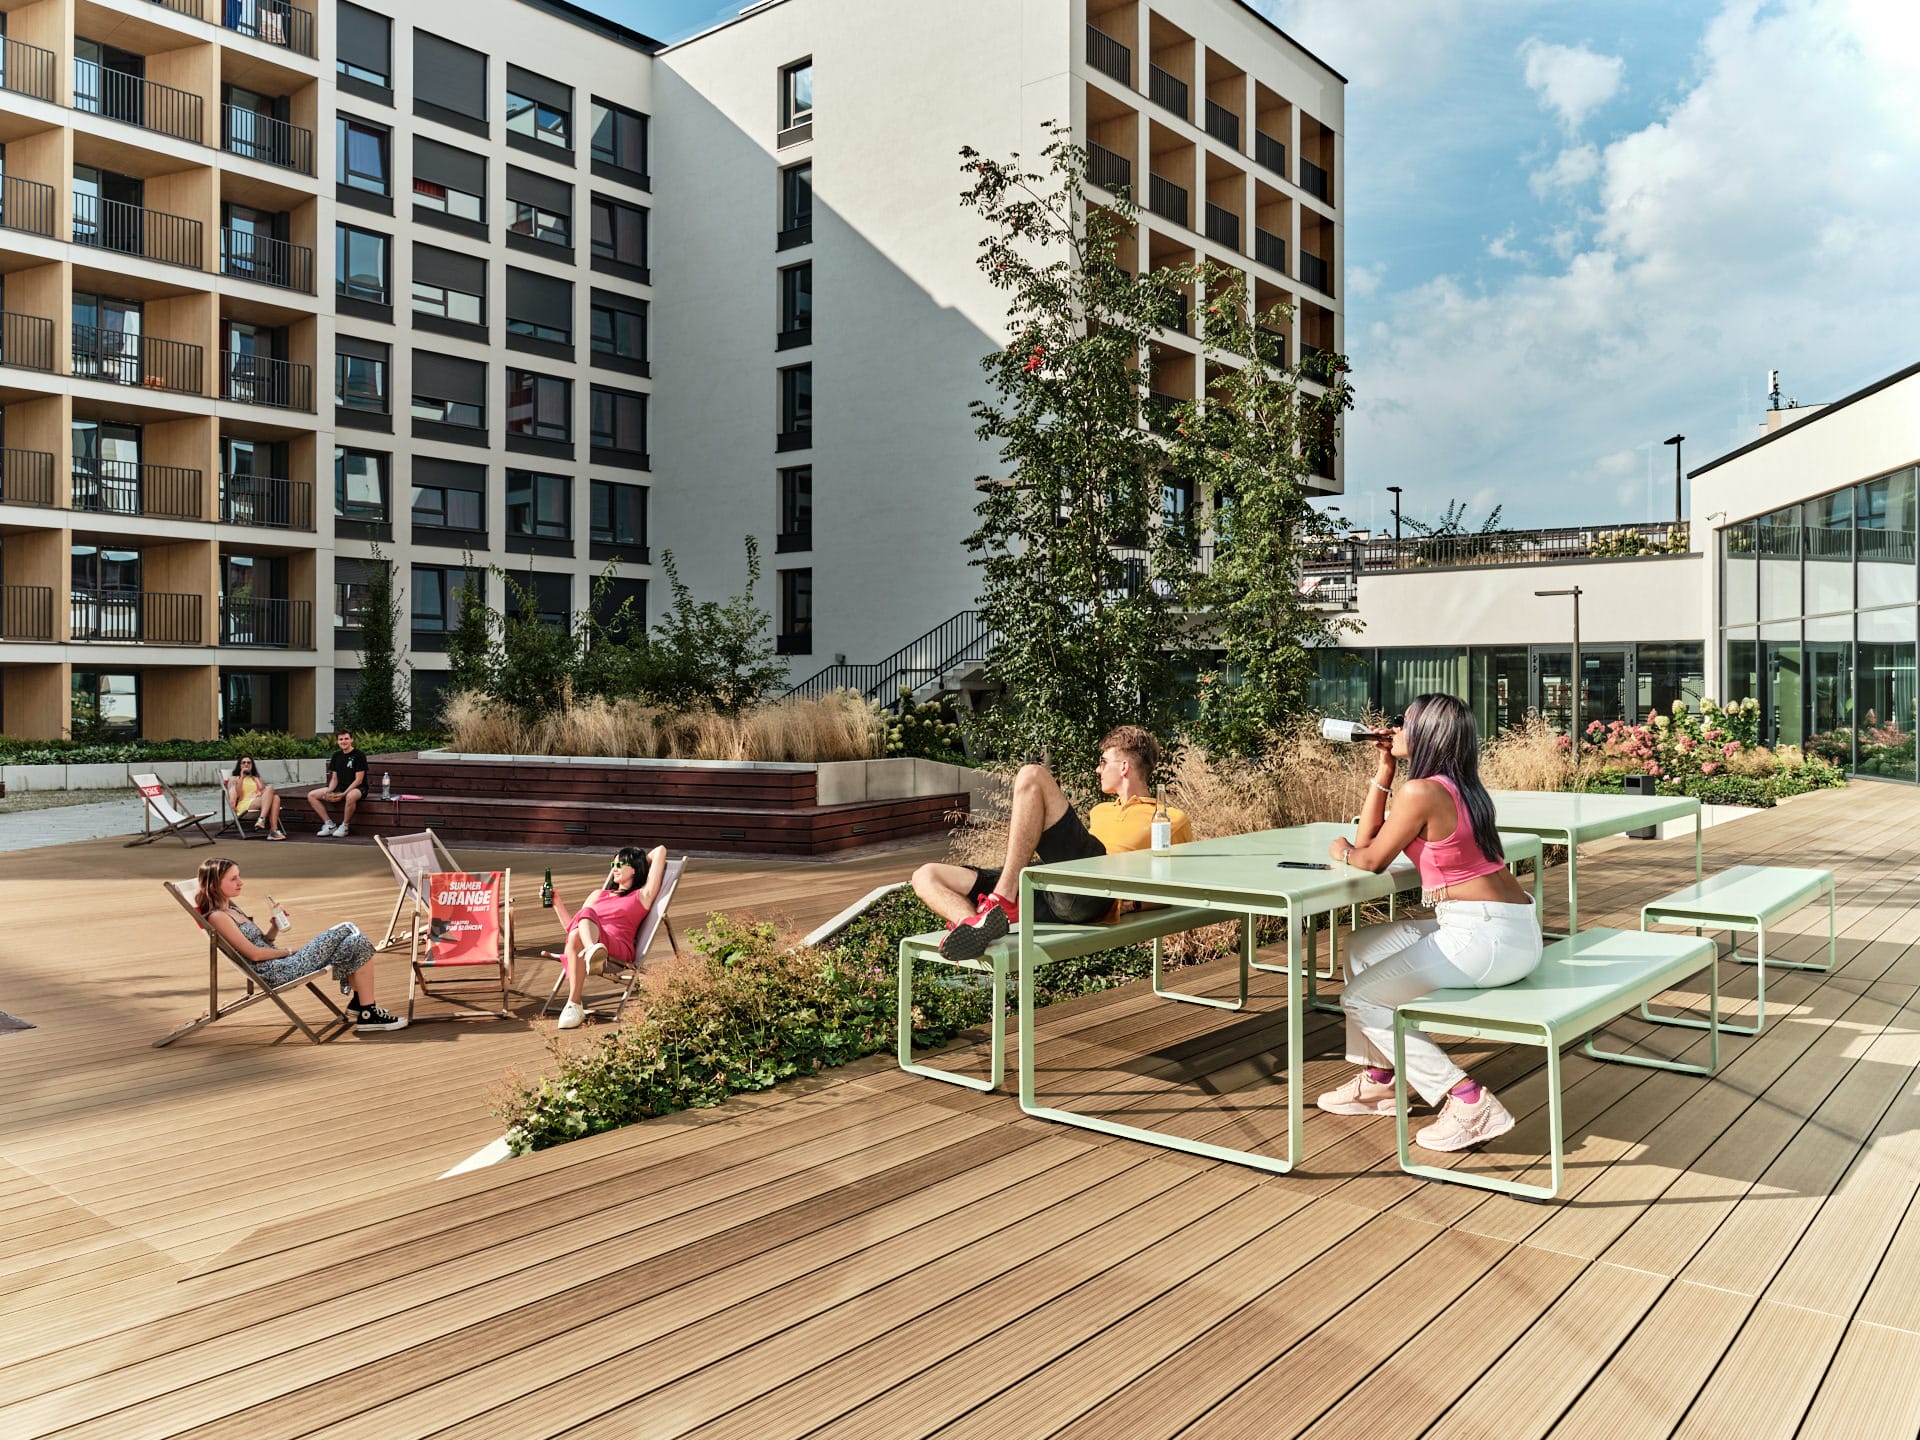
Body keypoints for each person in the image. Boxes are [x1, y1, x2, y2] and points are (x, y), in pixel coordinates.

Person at [1317, 693, 1542, 1151]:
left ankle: (1468, 1100)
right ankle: (1381, 1078)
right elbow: (1372, 840)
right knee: (1361, 948)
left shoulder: (1421, 792)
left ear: (1427, 733)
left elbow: (1370, 857)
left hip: (1482, 936)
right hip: (1509, 930)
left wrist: (1339, 850)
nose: (1393, 727)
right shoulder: (1459, 788)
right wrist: (1385, 769)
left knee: (1360, 999)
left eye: (1403, 721)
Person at [912, 725, 1192, 962]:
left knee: (1032, 774)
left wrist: (1133, 904)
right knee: (926, 875)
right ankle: (973, 925)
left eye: (1103, 762)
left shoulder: (1169, 818)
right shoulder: (1100, 811)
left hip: (1098, 889)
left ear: (1124, 767)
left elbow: (1177, 885)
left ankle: (1004, 898)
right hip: (1054, 889)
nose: (1097, 769)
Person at [193, 856, 406, 1031]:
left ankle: (365, 1008)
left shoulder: (233, 909)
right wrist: (289, 951)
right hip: (277, 971)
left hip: (284, 962)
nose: (240, 882)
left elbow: (264, 944)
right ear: (213, 884)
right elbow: (255, 955)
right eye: (233, 879)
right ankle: (365, 1011)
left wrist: (275, 926)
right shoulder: (218, 917)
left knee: (355, 942)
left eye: (239, 876)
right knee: (347, 927)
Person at [550, 845, 670, 1031]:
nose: (614, 868)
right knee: (577, 930)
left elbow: (660, 850)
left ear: (635, 869)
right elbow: (572, 928)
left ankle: (588, 961)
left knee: (586, 914)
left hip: (618, 949)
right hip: (590, 945)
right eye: (613, 863)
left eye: (620, 864)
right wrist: (556, 902)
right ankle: (574, 1001)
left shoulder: (642, 895)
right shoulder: (598, 894)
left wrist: (638, 861)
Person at [308, 730, 367, 838]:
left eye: (346, 738)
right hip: (340, 787)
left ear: (351, 740)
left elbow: (359, 780)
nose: (343, 741)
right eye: (341, 739)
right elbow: (334, 778)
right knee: (311, 795)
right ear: (337, 742)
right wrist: (329, 791)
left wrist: (344, 794)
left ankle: (344, 826)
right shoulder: (336, 756)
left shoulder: (359, 755)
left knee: (350, 796)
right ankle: (329, 825)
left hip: (358, 788)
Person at [226, 755, 286, 840]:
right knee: (271, 792)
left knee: (275, 797)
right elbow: (238, 794)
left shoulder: (256, 778)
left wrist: (260, 793)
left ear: (252, 765)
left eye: (249, 763)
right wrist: (242, 777)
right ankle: (267, 825)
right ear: (239, 765)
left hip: (258, 802)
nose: (246, 764)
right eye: (243, 763)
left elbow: (266, 794)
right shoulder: (234, 779)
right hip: (244, 804)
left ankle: (267, 824)